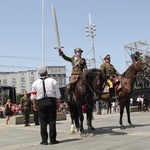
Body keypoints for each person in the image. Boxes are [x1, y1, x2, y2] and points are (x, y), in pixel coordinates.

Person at [31, 65, 61, 145]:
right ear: (47, 72)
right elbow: (57, 94)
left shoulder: (35, 83)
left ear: (39, 74)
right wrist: (58, 103)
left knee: (43, 122)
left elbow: (33, 96)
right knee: (52, 121)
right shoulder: (52, 81)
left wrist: (34, 104)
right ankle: (52, 140)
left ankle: (44, 141)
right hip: (51, 101)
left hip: (40, 102)